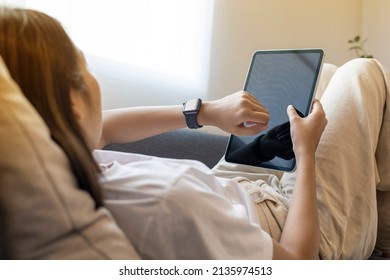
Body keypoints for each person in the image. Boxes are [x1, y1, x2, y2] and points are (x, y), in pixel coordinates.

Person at [0, 7, 388, 260]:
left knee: (328, 74)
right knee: (361, 73)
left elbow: (104, 128)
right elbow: (297, 264)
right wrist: (305, 158)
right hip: (289, 227)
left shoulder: (60, 163)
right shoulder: (163, 203)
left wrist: (206, 112)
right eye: (85, 69)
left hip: (231, 190)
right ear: (71, 104)